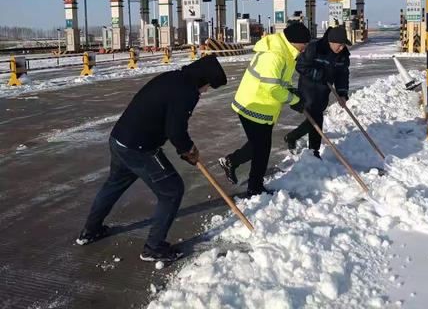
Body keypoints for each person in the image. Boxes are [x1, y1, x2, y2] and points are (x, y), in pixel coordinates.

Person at [76, 55, 227, 263]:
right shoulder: (187, 92)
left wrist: (185, 149)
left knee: (113, 185)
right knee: (172, 190)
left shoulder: (174, 77)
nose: (206, 91)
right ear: (203, 79)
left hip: (119, 139)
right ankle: (153, 247)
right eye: (208, 86)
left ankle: (90, 231)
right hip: (139, 148)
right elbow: (175, 130)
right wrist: (188, 150)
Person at [219, 22, 311, 197]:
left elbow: (280, 81)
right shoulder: (276, 55)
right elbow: (272, 88)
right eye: (304, 44)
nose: (305, 48)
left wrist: (291, 91)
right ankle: (255, 188)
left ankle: (231, 161)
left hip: (262, 105)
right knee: (261, 148)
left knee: (258, 145)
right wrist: (294, 100)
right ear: (295, 41)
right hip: (254, 103)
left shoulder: (286, 51)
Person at [284, 25, 351, 158]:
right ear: (331, 42)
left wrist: (342, 94)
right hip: (308, 89)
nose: (342, 47)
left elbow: (342, 75)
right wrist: (319, 74)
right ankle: (313, 152)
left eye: (344, 45)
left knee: (313, 119)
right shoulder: (315, 48)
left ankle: (292, 136)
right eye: (340, 44)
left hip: (323, 91)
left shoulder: (343, 55)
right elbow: (301, 66)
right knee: (316, 119)